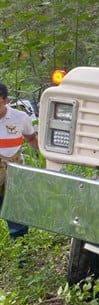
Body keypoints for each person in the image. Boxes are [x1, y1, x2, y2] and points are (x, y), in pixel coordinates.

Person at [0, 82, 39, 240]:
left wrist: (49, 156)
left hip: (13, 169)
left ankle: (21, 246)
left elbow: (31, 138)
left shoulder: (20, 117)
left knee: (16, 207)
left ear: (5, 100)